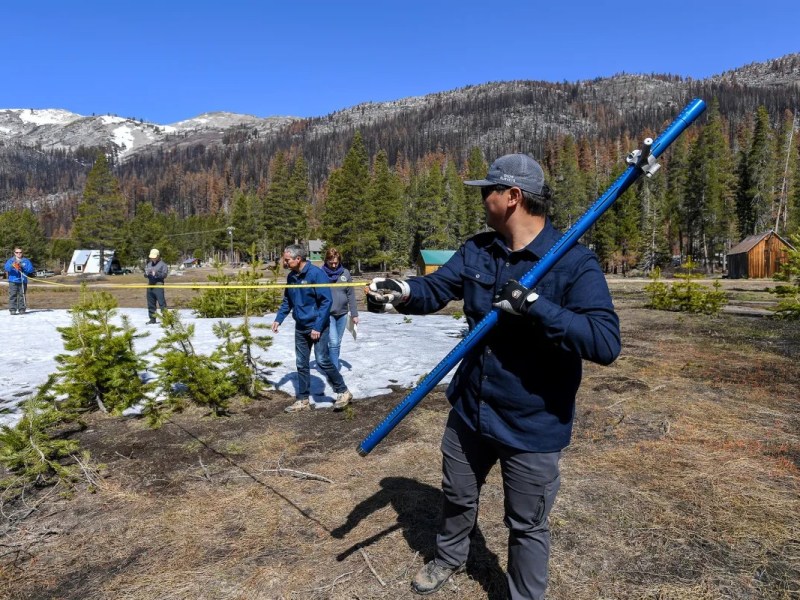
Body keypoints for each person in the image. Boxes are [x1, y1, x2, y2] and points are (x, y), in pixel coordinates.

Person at [366, 154, 621, 599]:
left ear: (512, 197)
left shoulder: (573, 262)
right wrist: (402, 292)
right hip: (470, 408)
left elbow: (604, 342)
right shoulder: (478, 250)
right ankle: (448, 557)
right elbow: (437, 288)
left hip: (532, 421)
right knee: (457, 494)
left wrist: (536, 305)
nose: (482, 200)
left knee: (526, 523)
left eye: (488, 191)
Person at [272, 244, 353, 412]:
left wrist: (317, 326)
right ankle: (303, 400)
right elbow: (288, 301)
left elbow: (326, 302)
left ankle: (343, 391)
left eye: (287, 260)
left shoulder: (317, 274)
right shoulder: (292, 277)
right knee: (301, 363)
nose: (284, 262)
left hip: (318, 326)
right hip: (301, 327)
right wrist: (278, 319)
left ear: (298, 259)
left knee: (323, 360)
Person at [321, 247, 359, 371]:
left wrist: (354, 314)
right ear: (326, 260)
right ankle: (334, 371)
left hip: (342, 314)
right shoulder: (321, 273)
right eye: (331, 262)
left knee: (337, 342)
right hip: (328, 314)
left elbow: (351, 294)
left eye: (336, 262)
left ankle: (330, 363)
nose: (333, 265)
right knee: (334, 342)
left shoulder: (345, 273)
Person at [4, 247, 35, 315]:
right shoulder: (11, 260)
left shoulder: (26, 261)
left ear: (22, 253)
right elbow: (6, 268)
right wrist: (12, 266)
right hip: (13, 281)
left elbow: (30, 270)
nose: (19, 254)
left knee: (22, 295)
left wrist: (22, 267)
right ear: (14, 253)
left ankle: (22, 309)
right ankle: (12, 309)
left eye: (20, 252)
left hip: (23, 280)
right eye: (17, 252)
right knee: (13, 295)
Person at [144, 248, 168, 324]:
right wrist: (147, 274)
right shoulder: (149, 264)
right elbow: (145, 274)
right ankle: (152, 318)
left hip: (158, 285)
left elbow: (164, 275)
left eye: (154, 257)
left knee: (161, 303)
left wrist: (157, 274)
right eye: (151, 257)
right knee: (150, 303)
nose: (153, 259)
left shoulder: (163, 265)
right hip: (150, 285)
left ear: (158, 256)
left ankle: (166, 318)